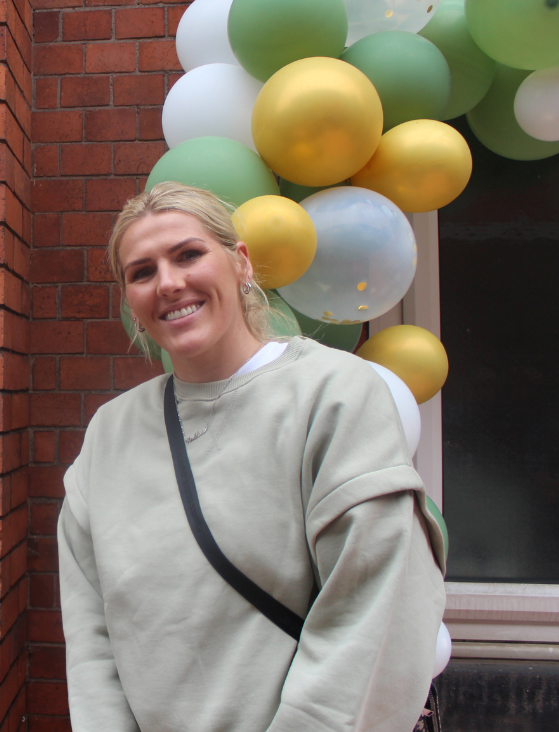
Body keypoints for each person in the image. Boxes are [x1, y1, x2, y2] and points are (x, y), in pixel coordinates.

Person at [58, 181, 446, 732]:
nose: (168, 283)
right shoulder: (109, 434)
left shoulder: (334, 394)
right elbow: (91, 631)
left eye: (189, 255)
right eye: (141, 272)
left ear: (240, 263)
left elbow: (368, 612)